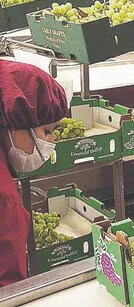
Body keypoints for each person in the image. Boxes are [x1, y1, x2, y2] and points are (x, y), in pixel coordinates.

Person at [0, 60, 68, 286]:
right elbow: (8, 292)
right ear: (16, 123)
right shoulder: (5, 201)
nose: (51, 141)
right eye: (47, 131)